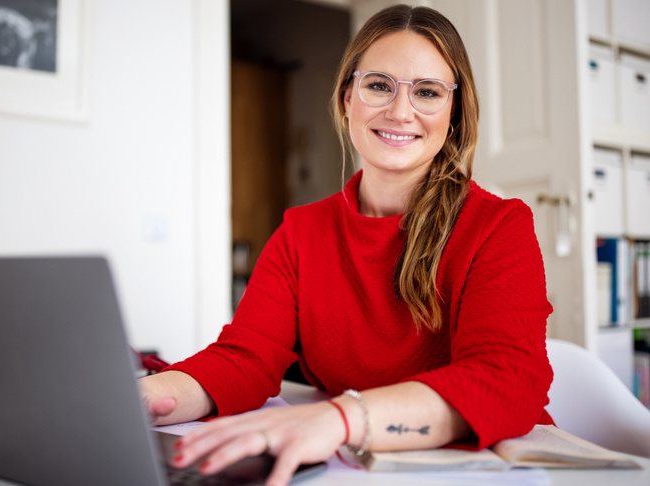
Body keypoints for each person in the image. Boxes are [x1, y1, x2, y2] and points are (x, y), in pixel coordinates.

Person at [140, 5, 554, 486]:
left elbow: (507, 381)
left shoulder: (499, 226)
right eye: (379, 85)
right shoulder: (300, 233)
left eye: (427, 92)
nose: (400, 111)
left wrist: (339, 418)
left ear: (454, 115)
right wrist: (139, 398)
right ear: (346, 99)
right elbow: (244, 359)